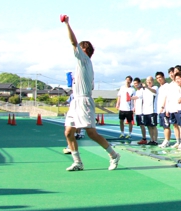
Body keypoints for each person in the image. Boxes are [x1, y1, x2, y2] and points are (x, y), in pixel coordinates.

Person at [60, 16, 120, 171]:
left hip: (84, 102)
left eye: (80, 48)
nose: (76, 50)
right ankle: (77, 162)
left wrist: (67, 24)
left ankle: (114, 155)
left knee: (92, 133)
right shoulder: (81, 65)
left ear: (84, 50)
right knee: (68, 132)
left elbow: (73, 42)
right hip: (75, 102)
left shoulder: (84, 60)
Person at [155, 72, 172, 147]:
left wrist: (163, 107)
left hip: (165, 109)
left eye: (160, 77)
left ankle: (167, 141)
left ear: (163, 77)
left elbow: (166, 97)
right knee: (164, 126)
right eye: (157, 78)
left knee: (166, 125)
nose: (159, 79)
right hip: (160, 110)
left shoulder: (167, 86)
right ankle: (166, 140)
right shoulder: (160, 88)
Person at [130, 78, 148, 144]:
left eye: (136, 83)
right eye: (134, 83)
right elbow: (135, 100)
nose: (135, 85)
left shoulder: (142, 90)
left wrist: (129, 98)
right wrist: (134, 108)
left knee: (143, 125)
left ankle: (145, 138)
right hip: (138, 111)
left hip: (142, 111)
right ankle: (143, 138)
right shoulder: (136, 91)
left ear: (139, 83)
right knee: (140, 125)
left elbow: (137, 97)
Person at [142, 76, 159, 145]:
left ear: (153, 81)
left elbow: (154, 91)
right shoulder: (144, 90)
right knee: (149, 126)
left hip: (152, 110)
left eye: (150, 80)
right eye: (147, 80)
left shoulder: (155, 87)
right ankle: (151, 139)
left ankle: (155, 140)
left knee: (153, 126)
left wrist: (147, 87)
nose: (149, 82)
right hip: (146, 111)